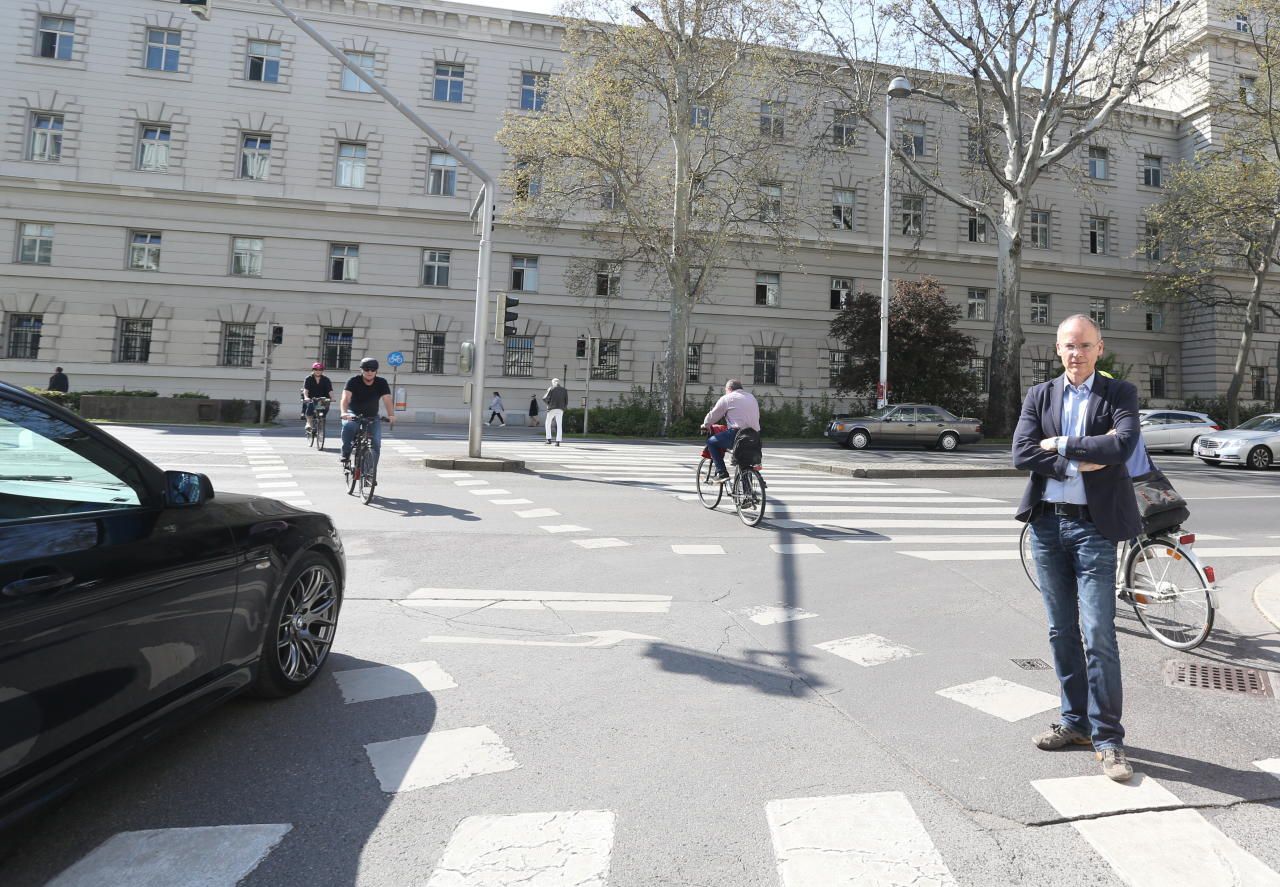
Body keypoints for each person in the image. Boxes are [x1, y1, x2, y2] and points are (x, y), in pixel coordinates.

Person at [1012, 314, 1142, 783]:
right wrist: (1075, 462)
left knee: (1099, 634)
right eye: (1069, 345)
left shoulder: (1119, 393)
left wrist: (1061, 443)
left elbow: (1122, 446)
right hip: (1047, 526)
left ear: (1099, 348)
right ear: (1057, 349)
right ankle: (1075, 724)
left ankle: (1109, 740)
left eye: (1085, 345)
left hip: (1094, 528)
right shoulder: (1040, 395)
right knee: (1061, 631)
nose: (1076, 353)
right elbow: (1021, 452)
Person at [700, 379, 762, 482]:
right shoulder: (751, 397)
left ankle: (722, 473)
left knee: (711, 442)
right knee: (744, 464)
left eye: (725, 390)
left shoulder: (728, 398)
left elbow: (713, 415)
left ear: (729, 388)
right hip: (755, 436)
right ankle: (748, 490)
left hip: (737, 435)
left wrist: (705, 425)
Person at [340, 357, 394, 471]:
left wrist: (391, 415)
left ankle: (370, 472)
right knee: (348, 426)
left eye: (373, 369)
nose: (369, 372)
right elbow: (345, 398)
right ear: (361, 370)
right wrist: (344, 412)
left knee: (376, 443)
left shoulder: (381, 382)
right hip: (354, 413)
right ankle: (346, 452)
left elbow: (387, 399)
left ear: (376, 371)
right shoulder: (353, 381)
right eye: (366, 369)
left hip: (372, 416)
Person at [301, 363, 334, 433]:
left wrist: (332, 398)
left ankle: (321, 423)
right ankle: (309, 423)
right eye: (316, 369)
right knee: (310, 408)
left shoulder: (326, 379)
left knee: (323, 412)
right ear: (313, 370)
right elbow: (306, 390)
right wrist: (306, 397)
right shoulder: (308, 378)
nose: (318, 371)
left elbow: (330, 390)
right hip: (312, 399)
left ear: (322, 371)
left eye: (320, 369)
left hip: (322, 399)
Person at [544, 378, 568, 446]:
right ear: (558, 382)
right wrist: (563, 408)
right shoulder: (564, 390)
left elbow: (545, 398)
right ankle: (558, 441)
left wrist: (548, 404)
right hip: (560, 409)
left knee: (548, 423)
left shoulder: (551, 389)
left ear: (553, 382)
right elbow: (566, 401)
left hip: (551, 408)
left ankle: (548, 439)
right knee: (559, 425)